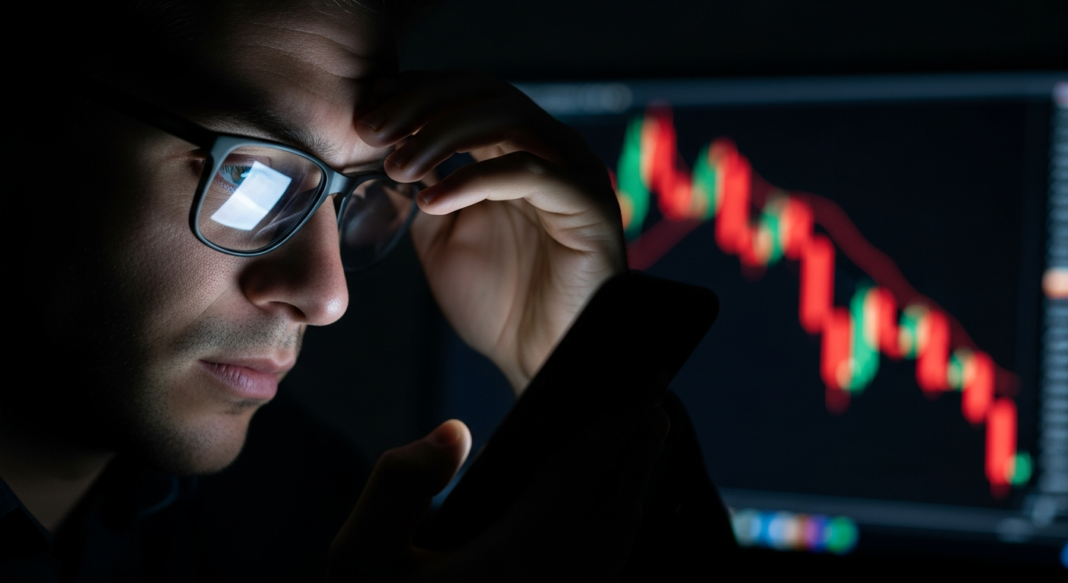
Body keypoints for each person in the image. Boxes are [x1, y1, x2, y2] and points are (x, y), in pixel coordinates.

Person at [0, 1, 733, 580]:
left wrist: (583, 372)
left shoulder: (297, 505)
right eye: (250, 180)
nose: (327, 297)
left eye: (354, 197)